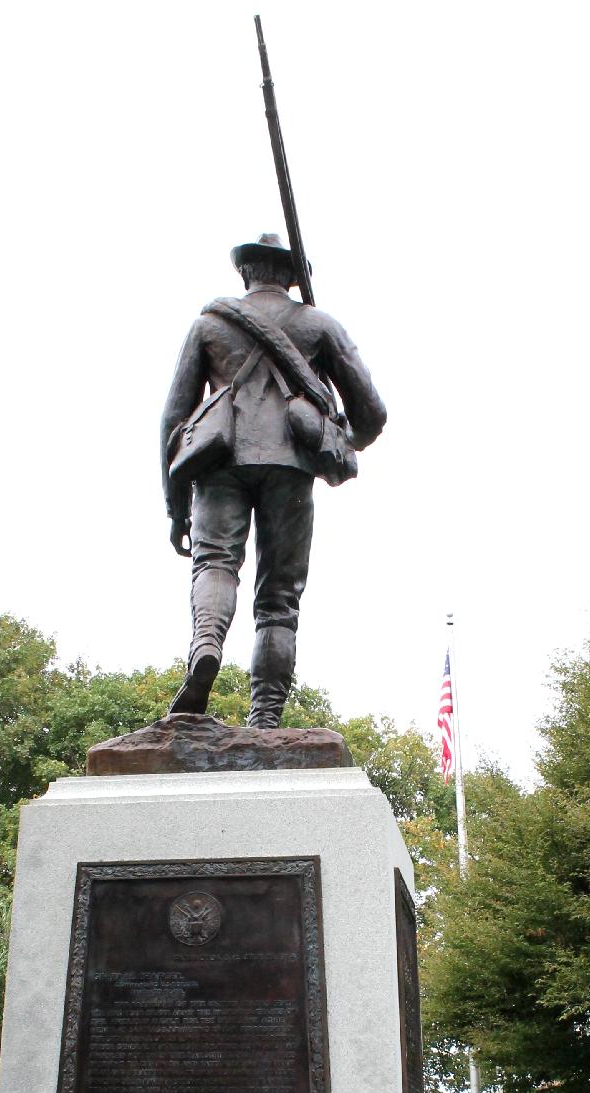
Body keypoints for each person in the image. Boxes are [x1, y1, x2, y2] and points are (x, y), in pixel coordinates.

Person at [160, 233, 386, 727]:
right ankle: (265, 718)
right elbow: (372, 412)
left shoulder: (209, 325)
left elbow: (173, 421)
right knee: (279, 598)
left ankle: (207, 643)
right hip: (291, 463)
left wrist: (175, 504)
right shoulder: (319, 326)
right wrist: (338, 435)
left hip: (220, 458)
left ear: (246, 274)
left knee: (215, 563)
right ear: (291, 276)